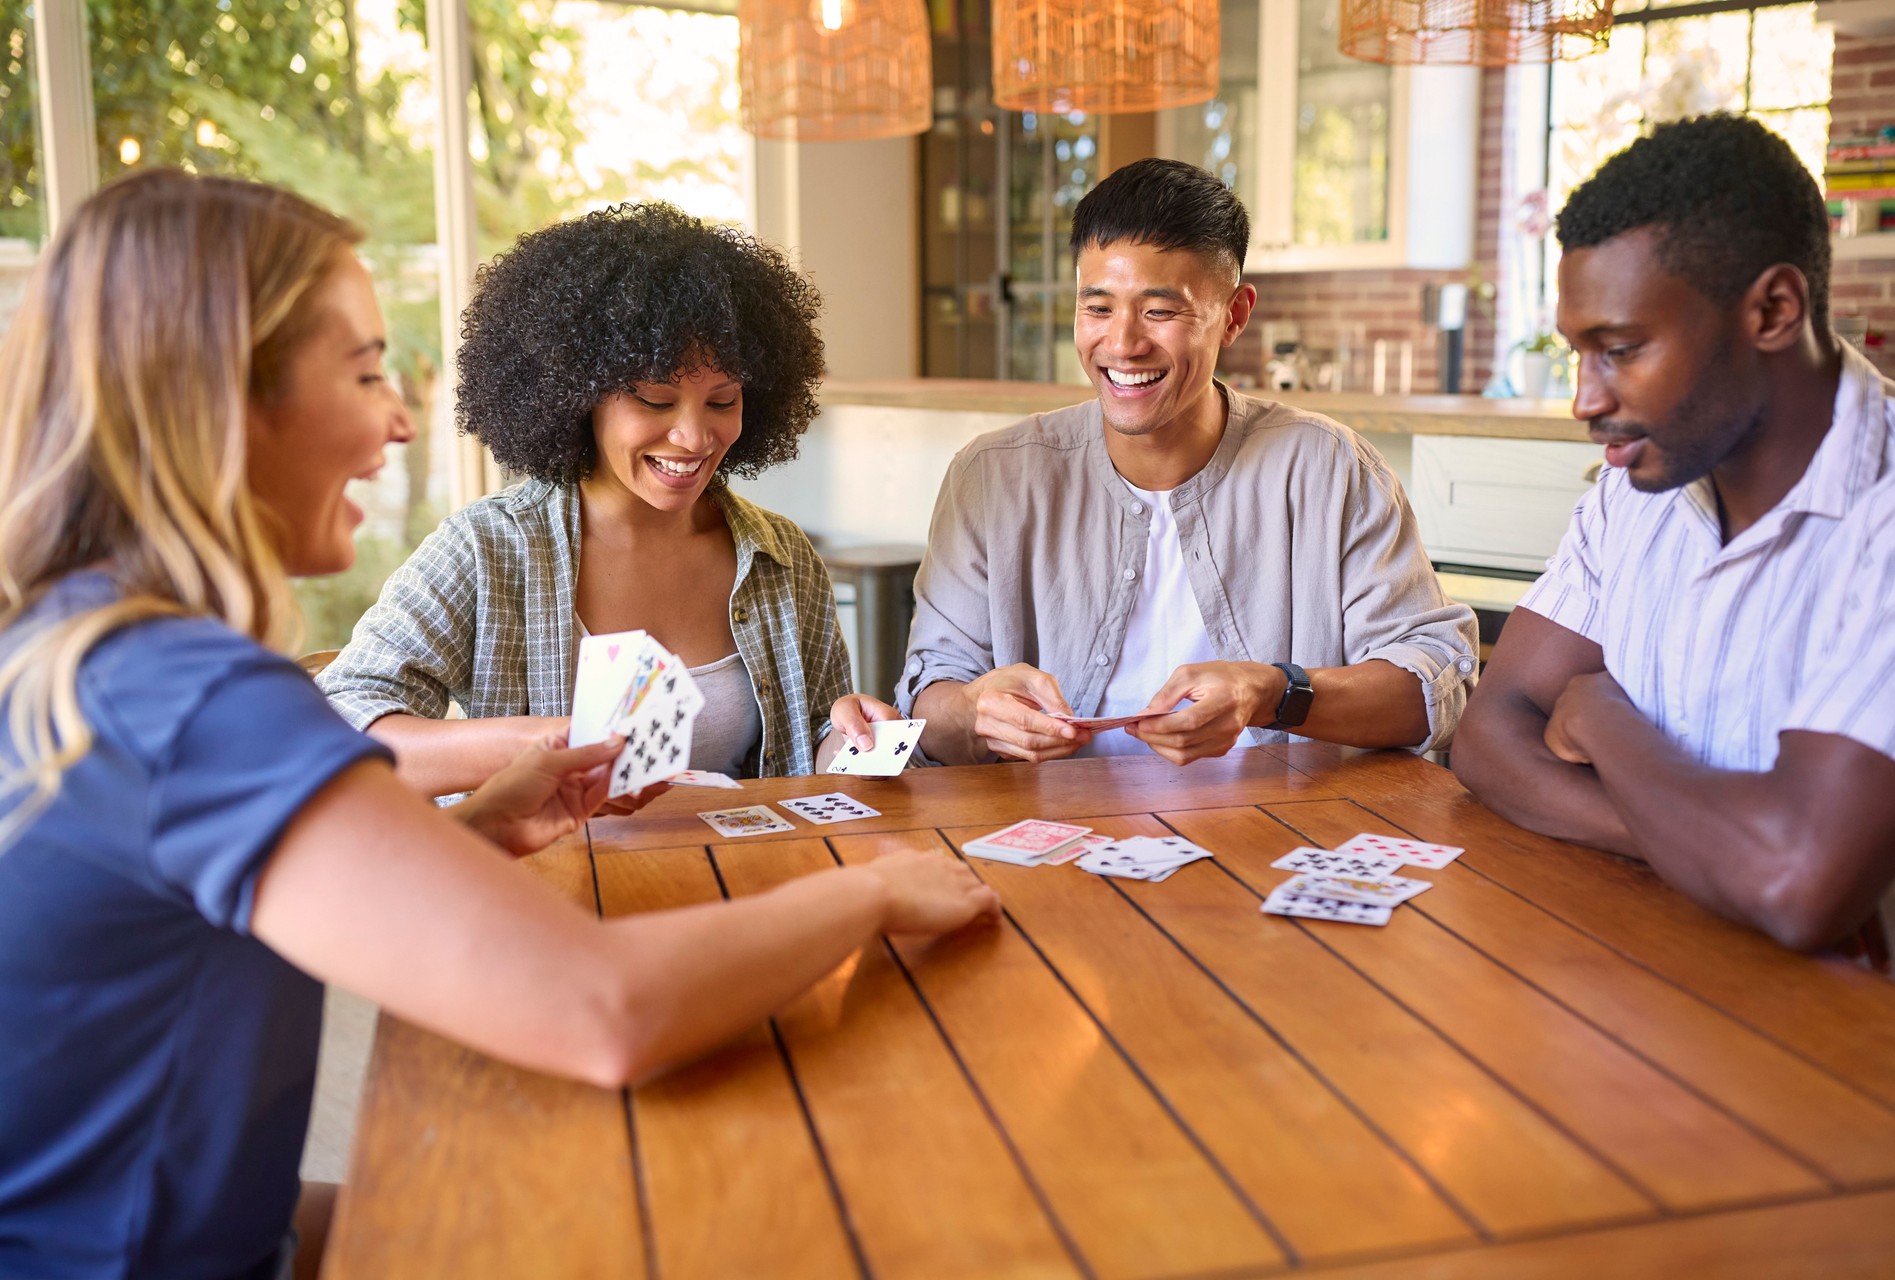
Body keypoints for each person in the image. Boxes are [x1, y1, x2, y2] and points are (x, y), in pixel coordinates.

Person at [0, 171, 999, 1280]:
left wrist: (469, 831)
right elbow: (604, 1008)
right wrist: (875, 889)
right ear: (219, 397)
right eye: (369, 370)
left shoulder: (85, 651)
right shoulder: (198, 702)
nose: (398, 416)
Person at [1450, 114, 1895, 982]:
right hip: (1637, 989)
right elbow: (1487, 739)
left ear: (1773, 310)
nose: (1585, 401)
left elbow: (1795, 881)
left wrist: (1602, 719)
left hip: (1856, 1058)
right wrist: (1713, 852)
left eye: (1620, 349)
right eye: (1577, 354)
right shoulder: (1636, 492)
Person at [889, 159, 1477, 766]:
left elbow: (1436, 687)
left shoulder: (1330, 470)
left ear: (1236, 315)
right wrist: (976, 712)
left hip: (1280, 836)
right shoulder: (991, 478)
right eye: (1097, 309)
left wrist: (1273, 694)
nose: (1122, 344)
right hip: (1056, 836)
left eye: (1160, 311)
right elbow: (928, 703)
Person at [318, 203, 895, 797]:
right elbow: (338, 731)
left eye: (722, 402)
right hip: (548, 885)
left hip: (744, 878)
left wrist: (848, 741)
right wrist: (544, 747)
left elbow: (811, 741)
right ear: (576, 393)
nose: (695, 437)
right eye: (653, 399)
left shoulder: (781, 556)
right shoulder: (489, 549)